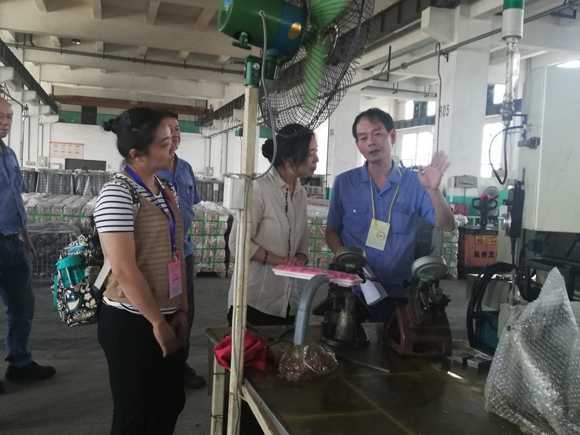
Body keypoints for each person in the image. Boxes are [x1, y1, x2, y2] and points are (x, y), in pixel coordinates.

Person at [94, 107, 188, 434]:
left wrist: (181, 309)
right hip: (131, 323)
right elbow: (123, 268)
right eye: (163, 143)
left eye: (171, 139)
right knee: (134, 415)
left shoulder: (164, 189)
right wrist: (158, 322)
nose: (172, 146)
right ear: (137, 154)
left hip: (168, 314)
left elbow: (177, 253)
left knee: (169, 403)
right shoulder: (117, 194)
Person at [325, 107, 455, 322]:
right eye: (363, 137)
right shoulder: (344, 183)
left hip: (398, 292)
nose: (371, 142)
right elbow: (332, 230)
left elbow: (448, 225)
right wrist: (346, 259)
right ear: (358, 144)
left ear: (392, 136)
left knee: (392, 341)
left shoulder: (415, 183)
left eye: (377, 133)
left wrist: (433, 190)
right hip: (352, 289)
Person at [227, 124, 319, 326]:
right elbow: (237, 243)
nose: (316, 159)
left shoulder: (301, 193)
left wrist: (300, 257)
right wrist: (281, 261)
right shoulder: (258, 188)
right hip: (255, 301)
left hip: (289, 300)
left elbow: (303, 236)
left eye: (316, 152)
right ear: (288, 158)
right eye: (311, 153)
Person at [0, 97, 56, 394]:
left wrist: (26, 237)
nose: (5, 122)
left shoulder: (9, 154)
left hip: (14, 242)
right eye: (0, 116)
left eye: (9, 116)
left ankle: (19, 363)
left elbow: (16, 199)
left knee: (22, 306)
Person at [155, 111, 206, 390]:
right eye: (169, 129)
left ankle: (179, 364)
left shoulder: (185, 168)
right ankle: (159, 364)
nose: (175, 134)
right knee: (160, 309)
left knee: (185, 311)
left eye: (177, 129)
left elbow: (191, 205)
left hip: (184, 252)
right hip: (158, 256)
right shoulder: (151, 168)